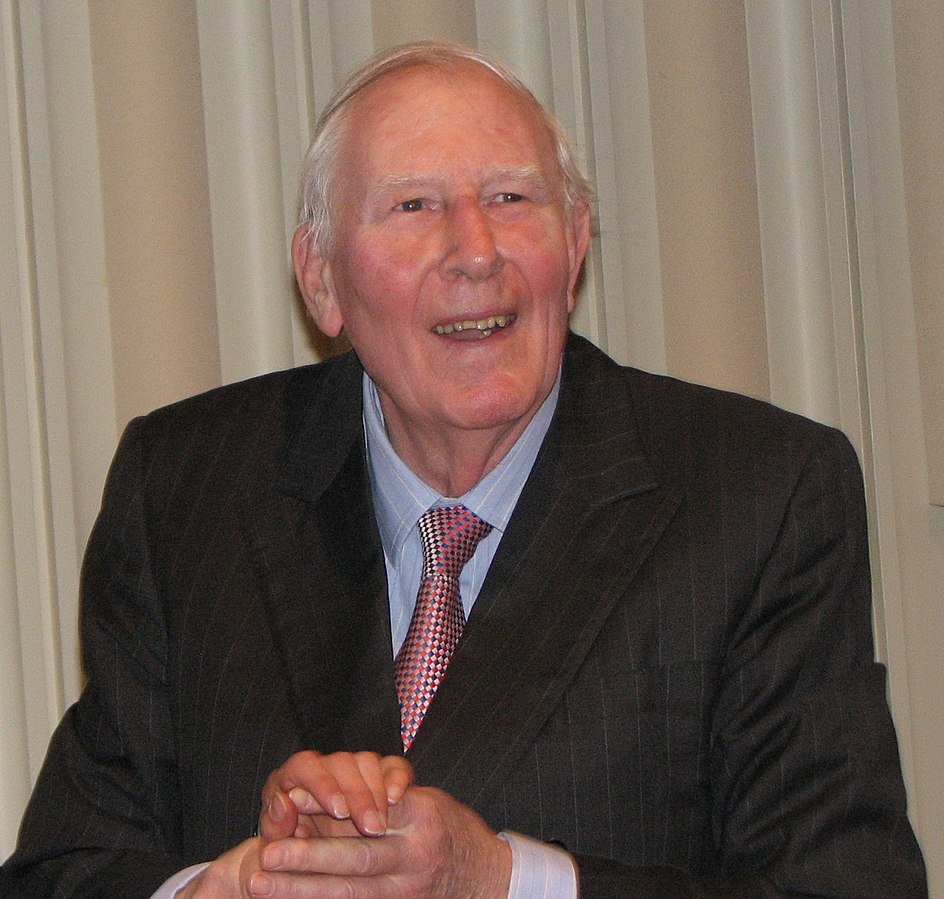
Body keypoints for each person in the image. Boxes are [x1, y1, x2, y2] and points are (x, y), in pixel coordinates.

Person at [0, 41, 927, 898]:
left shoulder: (760, 493)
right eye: (414, 206)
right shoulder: (185, 487)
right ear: (320, 280)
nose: (476, 251)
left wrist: (502, 879)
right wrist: (228, 887)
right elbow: (60, 871)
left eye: (513, 199)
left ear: (575, 248)